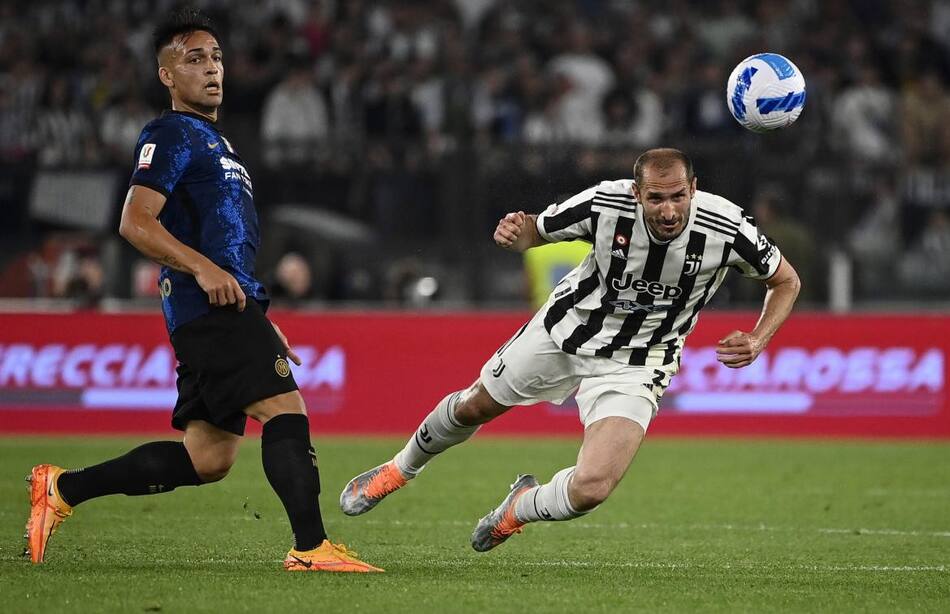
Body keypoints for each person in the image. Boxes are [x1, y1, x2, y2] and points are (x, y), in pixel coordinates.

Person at [24, 8, 381, 573]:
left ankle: (63, 488)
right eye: (194, 59)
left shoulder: (218, 143)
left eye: (216, 57)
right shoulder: (169, 133)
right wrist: (205, 272)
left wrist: (257, 314)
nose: (212, 69)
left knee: (208, 458)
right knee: (287, 410)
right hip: (208, 305)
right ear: (167, 75)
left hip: (228, 306)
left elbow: (224, 241)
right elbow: (135, 222)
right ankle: (311, 549)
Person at [340, 148, 801, 552]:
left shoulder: (727, 225)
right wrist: (513, 233)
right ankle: (398, 470)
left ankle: (521, 508)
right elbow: (535, 233)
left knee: (592, 488)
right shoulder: (604, 203)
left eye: (678, 196)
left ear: (694, 189)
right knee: (473, 406)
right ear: (636, 193)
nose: (668, 210)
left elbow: (785, 280)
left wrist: (759, 338)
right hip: (566, 331)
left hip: (639, 362)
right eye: (656, 198)